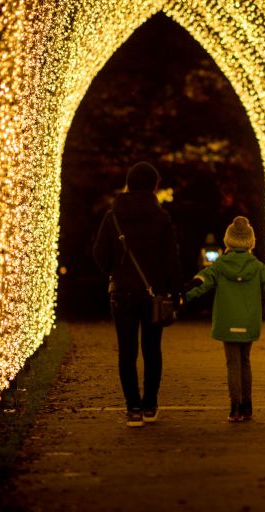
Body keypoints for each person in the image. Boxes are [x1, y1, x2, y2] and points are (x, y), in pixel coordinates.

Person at [184, 216, 265, 422]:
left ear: (228, 241)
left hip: (227, 319)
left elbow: (201, 281)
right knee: (245, 362)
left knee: (233, 363)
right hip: (248, 320)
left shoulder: (220, 265)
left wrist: (181, 296)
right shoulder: (257, 266)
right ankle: (247, 406)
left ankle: (235, 407)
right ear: (250, 242)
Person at [94, 162, 181, 427]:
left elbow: (99, 253)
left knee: (127, 351)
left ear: (129, 183)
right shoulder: (161, 217)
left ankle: (132, 408)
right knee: (152, 349)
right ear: (154, 185)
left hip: (122, 292)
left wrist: (115, 272)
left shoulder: (113, 217)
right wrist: (174, 292)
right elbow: (171, 259)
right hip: (153, 293)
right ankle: (150, 404)